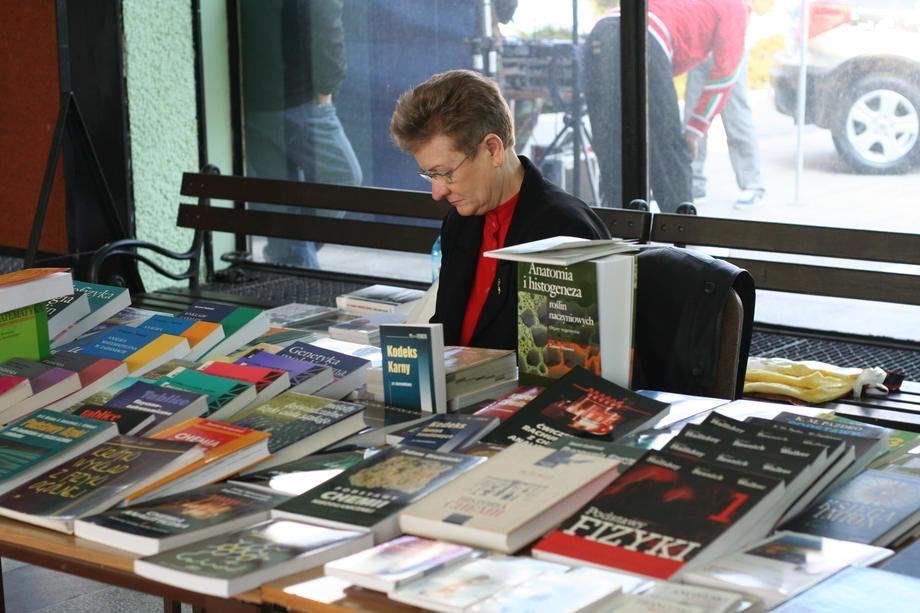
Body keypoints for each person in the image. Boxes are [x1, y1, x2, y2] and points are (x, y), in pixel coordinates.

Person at [389, 70, 611, 350]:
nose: (437, 192)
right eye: (429, 175)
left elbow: (568, 359)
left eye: (445, 173)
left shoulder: (566, 232)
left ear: (493, 149)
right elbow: (445, 333)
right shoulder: (461, 221)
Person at [585, 0, 750, 212]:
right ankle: (681, 227)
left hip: (601, 32)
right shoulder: (735, 6)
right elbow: (725, 75)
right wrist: (694, 131)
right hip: (646, 33)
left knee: (613, 151)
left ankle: (618, 227)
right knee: (670, 156)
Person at [242, 0, 362, 269]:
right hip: (297, 99)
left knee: (280, 195)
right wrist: (326, 88)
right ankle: (293, 252)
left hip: (252, 99)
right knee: (342, 176)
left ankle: (290, 255)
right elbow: (326, 21)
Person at [685, 51, 765, 207]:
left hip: (728, 49)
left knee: (736, 117)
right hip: (699, 51)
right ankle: (694, 183)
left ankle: (752, 184)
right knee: (692, 117)